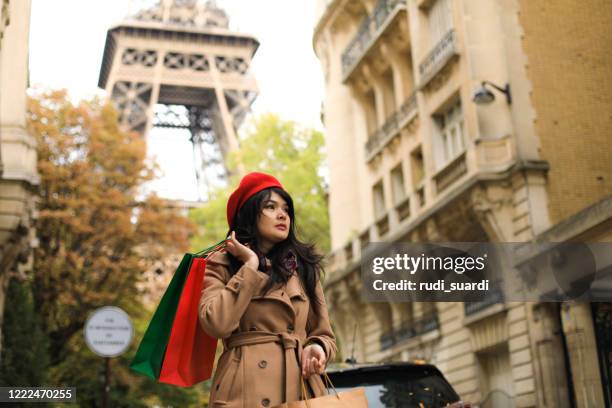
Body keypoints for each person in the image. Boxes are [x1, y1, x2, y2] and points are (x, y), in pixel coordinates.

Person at [198, 172, 337, 408]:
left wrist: (317, 346)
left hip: (300, 391)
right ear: (249, 214)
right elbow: (216, 324)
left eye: (286, 209)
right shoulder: (220, 264)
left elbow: (324, 334)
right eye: (270, 207)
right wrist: (250, 266)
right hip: (243, 393)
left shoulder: (304, 268)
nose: (282, 214)